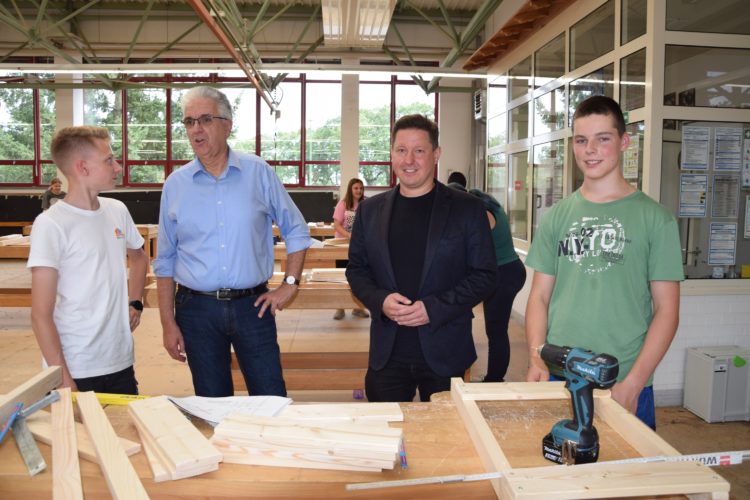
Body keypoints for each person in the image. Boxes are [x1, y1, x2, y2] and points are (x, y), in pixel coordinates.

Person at [524, 95, 683, 429]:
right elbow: (538, 297)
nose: (590, 149)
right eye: (581, 140)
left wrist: (634, 383)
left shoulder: (656, 219)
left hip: (623, 380)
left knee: (627, 477)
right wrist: (537, 357)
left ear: (624, 142)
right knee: (560, 473)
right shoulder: (556, 217)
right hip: (560, 375)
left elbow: (667, 311)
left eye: (603, 139)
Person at [153, 86, 310, 398]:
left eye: (205, 119)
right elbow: (165, 260)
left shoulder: (258, 173)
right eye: (189, 122)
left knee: (270, 398)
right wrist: (168, 324)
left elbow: (296, 230)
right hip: (196, 310)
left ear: (227, 124)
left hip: (253, 308)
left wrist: (289, 283)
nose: (196, 129)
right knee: (212, 403)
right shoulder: (176, 184)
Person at [346, 114, 497, 402]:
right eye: (401, 150)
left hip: (446, 351)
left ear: (436, 154)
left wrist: (433, 308)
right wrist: (380, 301)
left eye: (419, 151)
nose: (409, 160)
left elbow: (485, 275)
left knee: (447, 441)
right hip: (387, 354)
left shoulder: (467, 209)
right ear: (391, 154)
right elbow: (357, 270)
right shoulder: (371, 211)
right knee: (387, 435)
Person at [28, 126, 149, 393]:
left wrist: (136, 301)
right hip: (76, 367)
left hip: (119, 362)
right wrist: (63, 380)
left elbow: (139, 257)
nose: (117, 167)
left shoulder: (117, 210)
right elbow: (40, 315)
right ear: (82, 168)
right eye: (109, 160)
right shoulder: (51, 224)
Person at [447, 171, 526, 383]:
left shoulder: (480, 212)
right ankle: (479, 373)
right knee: (470, 317)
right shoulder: (486, 204)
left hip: (504, 273)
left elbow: (470, 247)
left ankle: (494, 379)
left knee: (496, 329)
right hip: (507, 269)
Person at [332, 177, 369, 320]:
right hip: (342, 244)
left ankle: (357, 308)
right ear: (350, 189)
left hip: (359, 245)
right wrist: (349, 235)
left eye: (360, 188)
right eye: (356, 188)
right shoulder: (343, 204)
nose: (358, 190)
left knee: (359, 276)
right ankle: (339, 308)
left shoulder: (366, 203)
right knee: (342, 275)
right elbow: (337, 225)